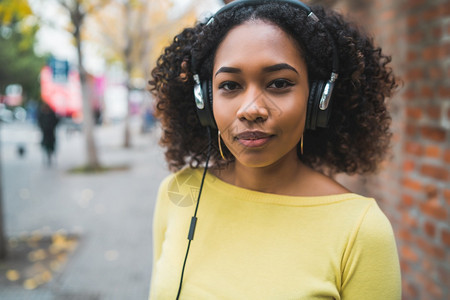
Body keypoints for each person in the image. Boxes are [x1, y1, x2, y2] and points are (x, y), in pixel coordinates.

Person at [149, 0, 401, 299]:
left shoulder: (361, 229)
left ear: (319, 99)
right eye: (230, 86)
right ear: (204, 101)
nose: (251, 109)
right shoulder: (178, 192)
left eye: (279, 83)